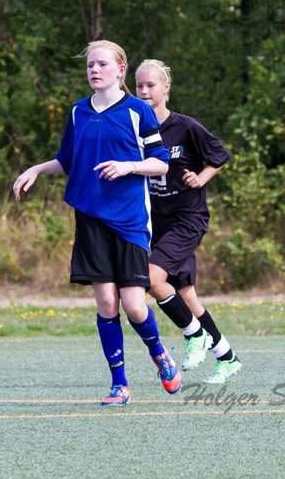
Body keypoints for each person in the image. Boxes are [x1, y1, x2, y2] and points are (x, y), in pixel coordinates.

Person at [13, 39, 180, 405]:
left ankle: (160, 355)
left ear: (121, 71)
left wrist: (128, 167)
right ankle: (120, 385)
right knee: (107, 304)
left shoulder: (138, 111)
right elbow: (68, 159)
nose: (94, 70)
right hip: (90, 219)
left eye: (102, 64)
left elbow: (161, 163)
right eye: (90, 65)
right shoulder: (77, 112)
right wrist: (37, 170)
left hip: (131, 220)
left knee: (135, 306)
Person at [134, 59, 241, 383]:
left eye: (151, 85)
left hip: (187, 219)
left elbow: (219, 155)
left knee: (152, 279)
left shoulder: (186, 127)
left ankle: (193, 335)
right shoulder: (135, 127)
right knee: (185, 295)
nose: (144, 91)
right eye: (139, 85)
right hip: (156, 222)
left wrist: (202, 177)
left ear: (166, 88)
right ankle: (226, 356)